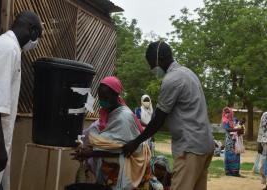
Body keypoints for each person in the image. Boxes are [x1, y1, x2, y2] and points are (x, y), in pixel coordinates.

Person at [123, 41, 214, 190]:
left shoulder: (172, 80)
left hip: (190, 148)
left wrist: (136, 142)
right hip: (205, 144)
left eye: (152, 63)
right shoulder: (188, 73)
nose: (152, 68)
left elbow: (158, 119)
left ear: (160, 59)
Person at [72, 76, 151, 190]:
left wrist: (91, 153)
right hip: (112, 168)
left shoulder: (124, 117)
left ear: (116, 95)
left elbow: (121, 149)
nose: (102, 100)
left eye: (106, 97)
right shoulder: (110, 113)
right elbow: (105, 140)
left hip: (127, 168)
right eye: (100, 97)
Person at [0, 11, 42, 189]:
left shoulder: (10, 48)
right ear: (31, 30)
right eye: (38, 35)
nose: (36, 42)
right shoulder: (7, 49)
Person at [221, 107, 244, 177]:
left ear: (231, 112)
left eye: (228, 112)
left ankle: (235, 172)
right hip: (229, 142)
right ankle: (228, 171)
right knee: (228, 155)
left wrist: (240, 129)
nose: (227, 114)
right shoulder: (224, 120)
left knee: (236, 155)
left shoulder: (235, 119)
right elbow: (228, 129)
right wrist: (236, 129)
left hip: (236, 141)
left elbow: (239, 126)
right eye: (226, 112)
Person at [257, 112, 267, 190]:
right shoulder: (265, 114)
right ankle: (264, 178)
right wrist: (259, 142)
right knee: (264, 162)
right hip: (265, 142)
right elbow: (261, 129)